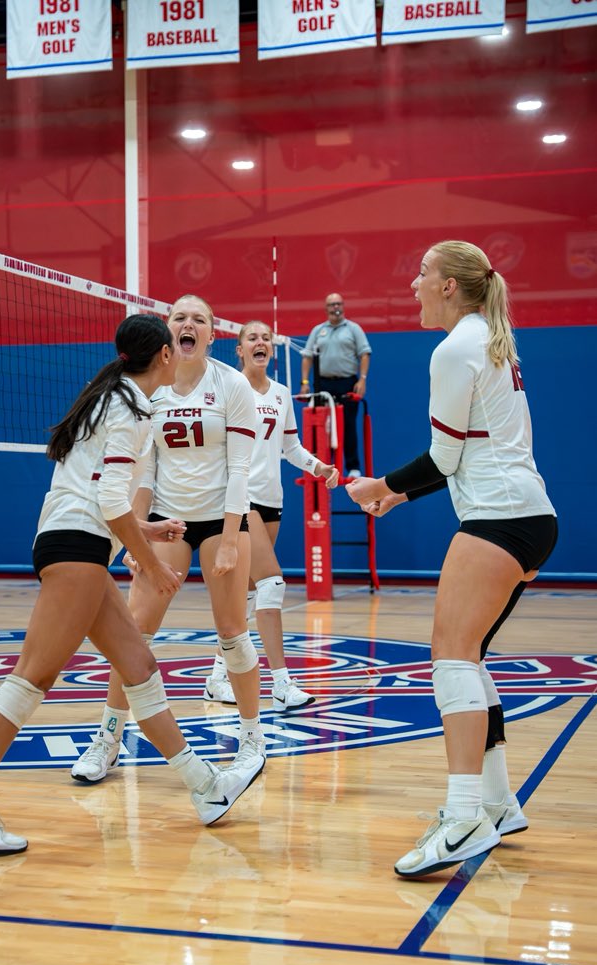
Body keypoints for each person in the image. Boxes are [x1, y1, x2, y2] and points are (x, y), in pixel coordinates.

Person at [0, 314, 265, 856]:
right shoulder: (130, 408)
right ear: (163, 355)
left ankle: (207, 789)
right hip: (76, 549)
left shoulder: (112, 396)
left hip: (80, 543)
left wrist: (146, 529)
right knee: (31, 679)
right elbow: (108, 502)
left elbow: (97, 491)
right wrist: (152, 564)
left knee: (140, 666)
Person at [346, 241, 557, 879]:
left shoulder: (456, 347)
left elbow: (444, 458)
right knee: (470, 654)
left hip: (500, 518)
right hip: (528, 516)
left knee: (451, 657)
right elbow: (461, 455)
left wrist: (375, 488)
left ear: (448, 287)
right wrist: (396, 497)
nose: (413, 283)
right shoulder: (489, 339)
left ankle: (463, 815)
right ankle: (497, 803)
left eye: (422, 273)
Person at [70, 295, 266, 785]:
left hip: (222, 517)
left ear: (211, 333)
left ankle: (252, 739)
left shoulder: (232, 384)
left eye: (199, 318)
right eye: (179, 317)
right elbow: (143, 470)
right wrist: (133, 538)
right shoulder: (148, 392)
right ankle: (107, 740)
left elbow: (240, 468)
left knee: (232, 632)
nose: (188, 324)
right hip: (167, 521)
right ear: (167, 334)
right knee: (132, 634)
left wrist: (228, 538)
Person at [205, 320, 339, 710]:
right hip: (239, 499)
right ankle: (281, 684)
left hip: (272, 500)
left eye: (266, 338)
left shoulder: (282, 394)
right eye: (252, 338)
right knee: (272, 584)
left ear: (271, 350)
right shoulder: (229, 387)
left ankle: (216, 678)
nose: (260, 342)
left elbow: (292, 447)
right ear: (240, 349)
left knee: (246, 596)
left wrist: (319, 467)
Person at [300, 293, 370, 478]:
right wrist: (305, 382)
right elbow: (307, 356)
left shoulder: (353, 329)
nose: (335, 307)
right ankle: (324, 466)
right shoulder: (318, 331)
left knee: (348, 425)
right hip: (322, 384)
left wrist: (362, 379)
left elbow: (364, 354)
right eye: (331, 304)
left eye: (338, 303)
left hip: (347, 383)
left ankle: (353, 467)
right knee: (323, 427)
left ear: (343, 306)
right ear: (326, 308)